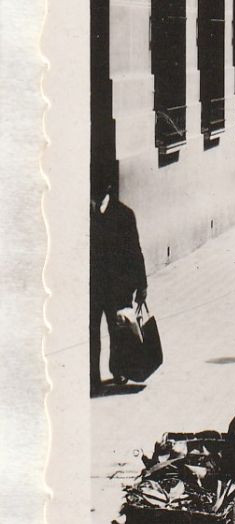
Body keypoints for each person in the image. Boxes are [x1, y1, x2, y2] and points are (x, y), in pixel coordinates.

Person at [89, 163, 147, 394]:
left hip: (117, 287)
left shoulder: (124, 214)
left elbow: (135, 250)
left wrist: (141, 285)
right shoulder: (83, 215)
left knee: (117, 332)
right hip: (92, 288)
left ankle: (117, 369)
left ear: (108, 188)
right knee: (91, 334)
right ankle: (92, 377)